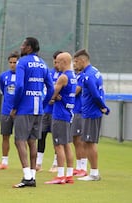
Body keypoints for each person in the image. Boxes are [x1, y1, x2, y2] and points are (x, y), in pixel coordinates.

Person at [11, 37, 54, 188]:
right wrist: (43, 103)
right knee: (32, 141)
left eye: (23, 44)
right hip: (38, 109)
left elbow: (19, 86)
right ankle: (33, 176)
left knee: (19, 140)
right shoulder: (43, 63)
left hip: (24, 108)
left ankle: (27, 176)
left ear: (29, 48)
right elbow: (51, 88)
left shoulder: (22, 62)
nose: (21, 47)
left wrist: (15, 106)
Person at [73, 49, 109, 181]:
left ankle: (94, 173)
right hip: (90, 111)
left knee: (89, 142)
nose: (75, 65)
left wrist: (103, 107)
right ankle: (92, 172)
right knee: (87, 141)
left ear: (83, 60)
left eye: (76, 62)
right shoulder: (95, 71)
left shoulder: (87, 76)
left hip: (91, 112)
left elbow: (95, 95)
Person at [44, 52, 77, 184]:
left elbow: (52, 94)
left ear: (63, 62)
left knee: (58, 146)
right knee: (67, 145)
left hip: (60, 114)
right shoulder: (73, 76)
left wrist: (52, 98)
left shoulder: (63, 77)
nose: (56, 64)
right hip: (68, 113)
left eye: (57, 61)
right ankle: (69, 175)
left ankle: (60, 175)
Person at [36, 50, 62, 172]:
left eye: (59, 62)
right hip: (46, 109)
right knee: (41, 136)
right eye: (55, 61)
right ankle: (38, 163)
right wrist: (47, 99)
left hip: (57, 111)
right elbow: (41, 88)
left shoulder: (65, 75)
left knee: (56, 138)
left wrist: (56, 98)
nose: (56, 64)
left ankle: (56, 163)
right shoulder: (48, 73)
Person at [0, 51, 19, 170]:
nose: (13, 65)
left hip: (20, 112)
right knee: (5, 136)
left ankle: (24, 163)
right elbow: (4, 90)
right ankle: (4, 162)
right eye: (11, 62)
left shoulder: (22, 76)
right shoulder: (3, 76)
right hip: (6, 111)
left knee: (20, 139)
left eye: (15, 62)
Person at [71, 61, 88, 177]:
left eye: (76, 62)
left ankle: (83, 167)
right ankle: (78, 166)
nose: (74, 64)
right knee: (75, 140)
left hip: (80, 111)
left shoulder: (82, 77)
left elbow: (75, 91)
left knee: (81, 140)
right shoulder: (75, 76)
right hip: (74, 111)